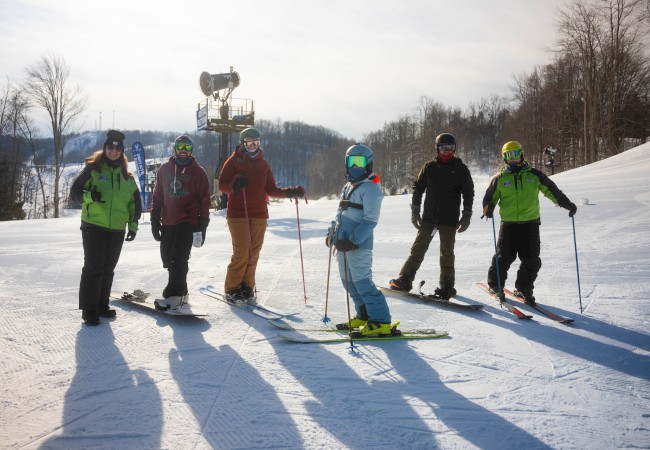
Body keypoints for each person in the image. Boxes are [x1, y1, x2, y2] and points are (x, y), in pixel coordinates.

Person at [482, 140, 577, 305]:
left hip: (530, 224)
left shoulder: (534, 175)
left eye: (515, 154)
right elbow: (489, 198)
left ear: (521, 154)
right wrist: (488, 208)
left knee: (532, 259)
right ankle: (495, 285)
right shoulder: (499, 178)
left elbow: (552, 191)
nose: (513, 159)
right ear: (504, 158)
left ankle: (523, 288)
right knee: (503, 258)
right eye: (508, 155)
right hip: (509, 225)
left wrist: (567, 204)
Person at [218, 127, 304, 303]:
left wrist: (290, 192)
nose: (253, 146)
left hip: (259, 214)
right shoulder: (233, 161)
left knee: (253, 253)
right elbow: (222, 185)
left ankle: (246, 286)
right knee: (241, 251)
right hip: (238, 213)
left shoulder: (263, 164)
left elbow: (271, 189)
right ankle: (232, 287)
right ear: (242, 144)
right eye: (249, 142)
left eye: (256, 142)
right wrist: (234, 184)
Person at [389, 133, 474, 299]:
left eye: (450, 148)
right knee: (417, 250)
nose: (447, 151)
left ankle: (447, 286)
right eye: (443, 148)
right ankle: (405, 279)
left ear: (454, 149)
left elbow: (469, 192)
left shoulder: (461, 169)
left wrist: (467, 214)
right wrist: (415, 211)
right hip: (429, 218)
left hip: (449, 220)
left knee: (447, 253)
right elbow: (418, 188)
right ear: (437, 149)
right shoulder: (429, 167)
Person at [70, 130, 142, 325]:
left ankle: (102, 305)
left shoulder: (127, 177)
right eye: (111, 147)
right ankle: (89, 310)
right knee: (94, 268)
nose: (114, 151)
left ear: (122, 151)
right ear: (105, 148)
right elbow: (75, 193)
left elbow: (135, 204)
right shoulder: (92, 169)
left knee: (108, 269)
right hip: (94, 225)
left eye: (118, 148)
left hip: (117, 229)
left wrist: (133, 227)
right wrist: (89, 197)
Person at [330, 144, 396, 336]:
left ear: (368, 164)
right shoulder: (348, 186)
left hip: (358, 245)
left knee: (362, 283)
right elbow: (339, 213)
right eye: (351, 162)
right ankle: (364, 315)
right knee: (348, 282)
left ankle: (381, 320)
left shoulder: (371, 189)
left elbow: (370, 221)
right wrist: (332, 233)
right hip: (342, 243)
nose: (355, 167)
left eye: (359, 162)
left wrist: (353, 240)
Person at [150, 135, 211, 310]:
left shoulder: (198, 172)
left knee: (179, 258)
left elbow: (204, 200)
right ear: (175, 149)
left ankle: (175, 295)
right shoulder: (164, 169)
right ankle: (182, 292)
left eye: (187, 147)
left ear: (191, 150)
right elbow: (158, 195)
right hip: (168, 220)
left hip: (188, 221)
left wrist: (202, 225)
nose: (183, 150)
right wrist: (155, 219)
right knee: (168, 258)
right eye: (180, 146)